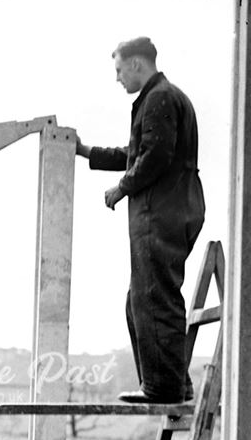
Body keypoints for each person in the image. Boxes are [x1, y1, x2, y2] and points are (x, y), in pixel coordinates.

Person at [76, 37, 205, 404]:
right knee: (142, 299)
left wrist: (121, 188)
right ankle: (175, 383)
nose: (117, 78)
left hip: (162, 210)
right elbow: (138, 152)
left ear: (136, 64)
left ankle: (163, 388)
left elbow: (155, 156)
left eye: (119, 69)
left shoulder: (159, 97)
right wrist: (87, 152)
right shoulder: (161, 97)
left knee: (152, 298)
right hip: (172, 207)